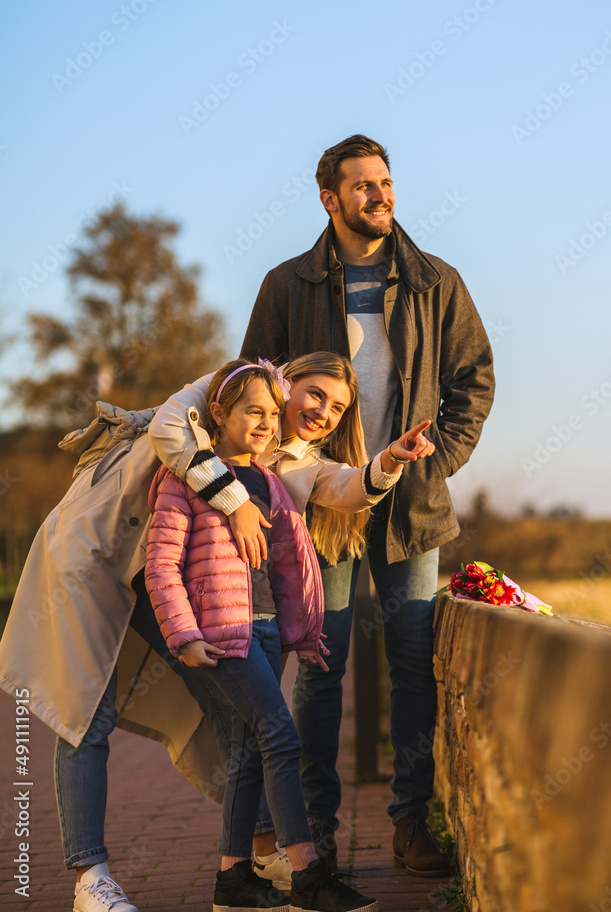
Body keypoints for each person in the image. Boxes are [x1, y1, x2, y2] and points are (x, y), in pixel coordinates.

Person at [0, 352, 433, 911]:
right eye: (315, 394)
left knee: (235, 710)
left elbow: (344, 487)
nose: (323, 412)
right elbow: (166, 429)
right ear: (287, 382)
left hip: (168, 580)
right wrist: (233, 503)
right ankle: (91, 879)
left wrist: (391, 460)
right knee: (87, 714)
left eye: (338, 407)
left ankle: (253, 856)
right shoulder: (225, 390)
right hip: (96, 554)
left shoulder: (283, 457)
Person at [240, 134, 496, 876]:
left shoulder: (434, 282)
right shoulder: (288, 285)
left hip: (411, 509)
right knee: (322, 667)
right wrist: (285, 474)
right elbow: (253, 389)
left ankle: (411, 821)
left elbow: (473, 382)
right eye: (361, 186)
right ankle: (312, 830)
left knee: (415, 666)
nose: (379, 195)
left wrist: (433, 465)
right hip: (325, 507)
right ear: (329, 199)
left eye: (384, 182)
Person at [144, 358, 380, 912]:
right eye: (253, 411)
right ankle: (308, 875)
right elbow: (161, 565)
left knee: (251, 749)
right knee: (281, 736)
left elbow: (288, 565)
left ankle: (233, 880)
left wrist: (300, 630)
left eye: (273, 414)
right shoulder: (183, 477)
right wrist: (182, 635)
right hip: (224, 633)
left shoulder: (272, 482)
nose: (267, 423)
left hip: (269, 632)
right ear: (219, 413)